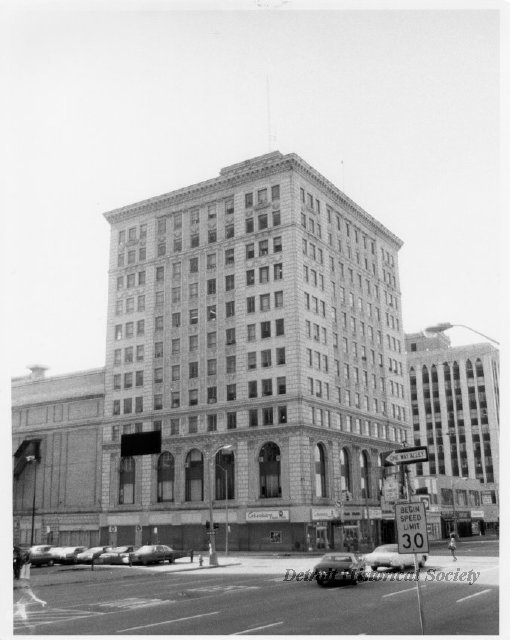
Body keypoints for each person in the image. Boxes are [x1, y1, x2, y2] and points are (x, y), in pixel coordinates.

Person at [13, 547, 47, 630]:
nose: (26, 601)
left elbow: (34, 598)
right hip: (24, 581)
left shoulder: (21, 604)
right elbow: (35, 598)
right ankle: (26, 559)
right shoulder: (23, 602)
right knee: (26, 568)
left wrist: (42, 602)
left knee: (24, 569)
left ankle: (25, 559)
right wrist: (42, 602)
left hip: (22, 581)